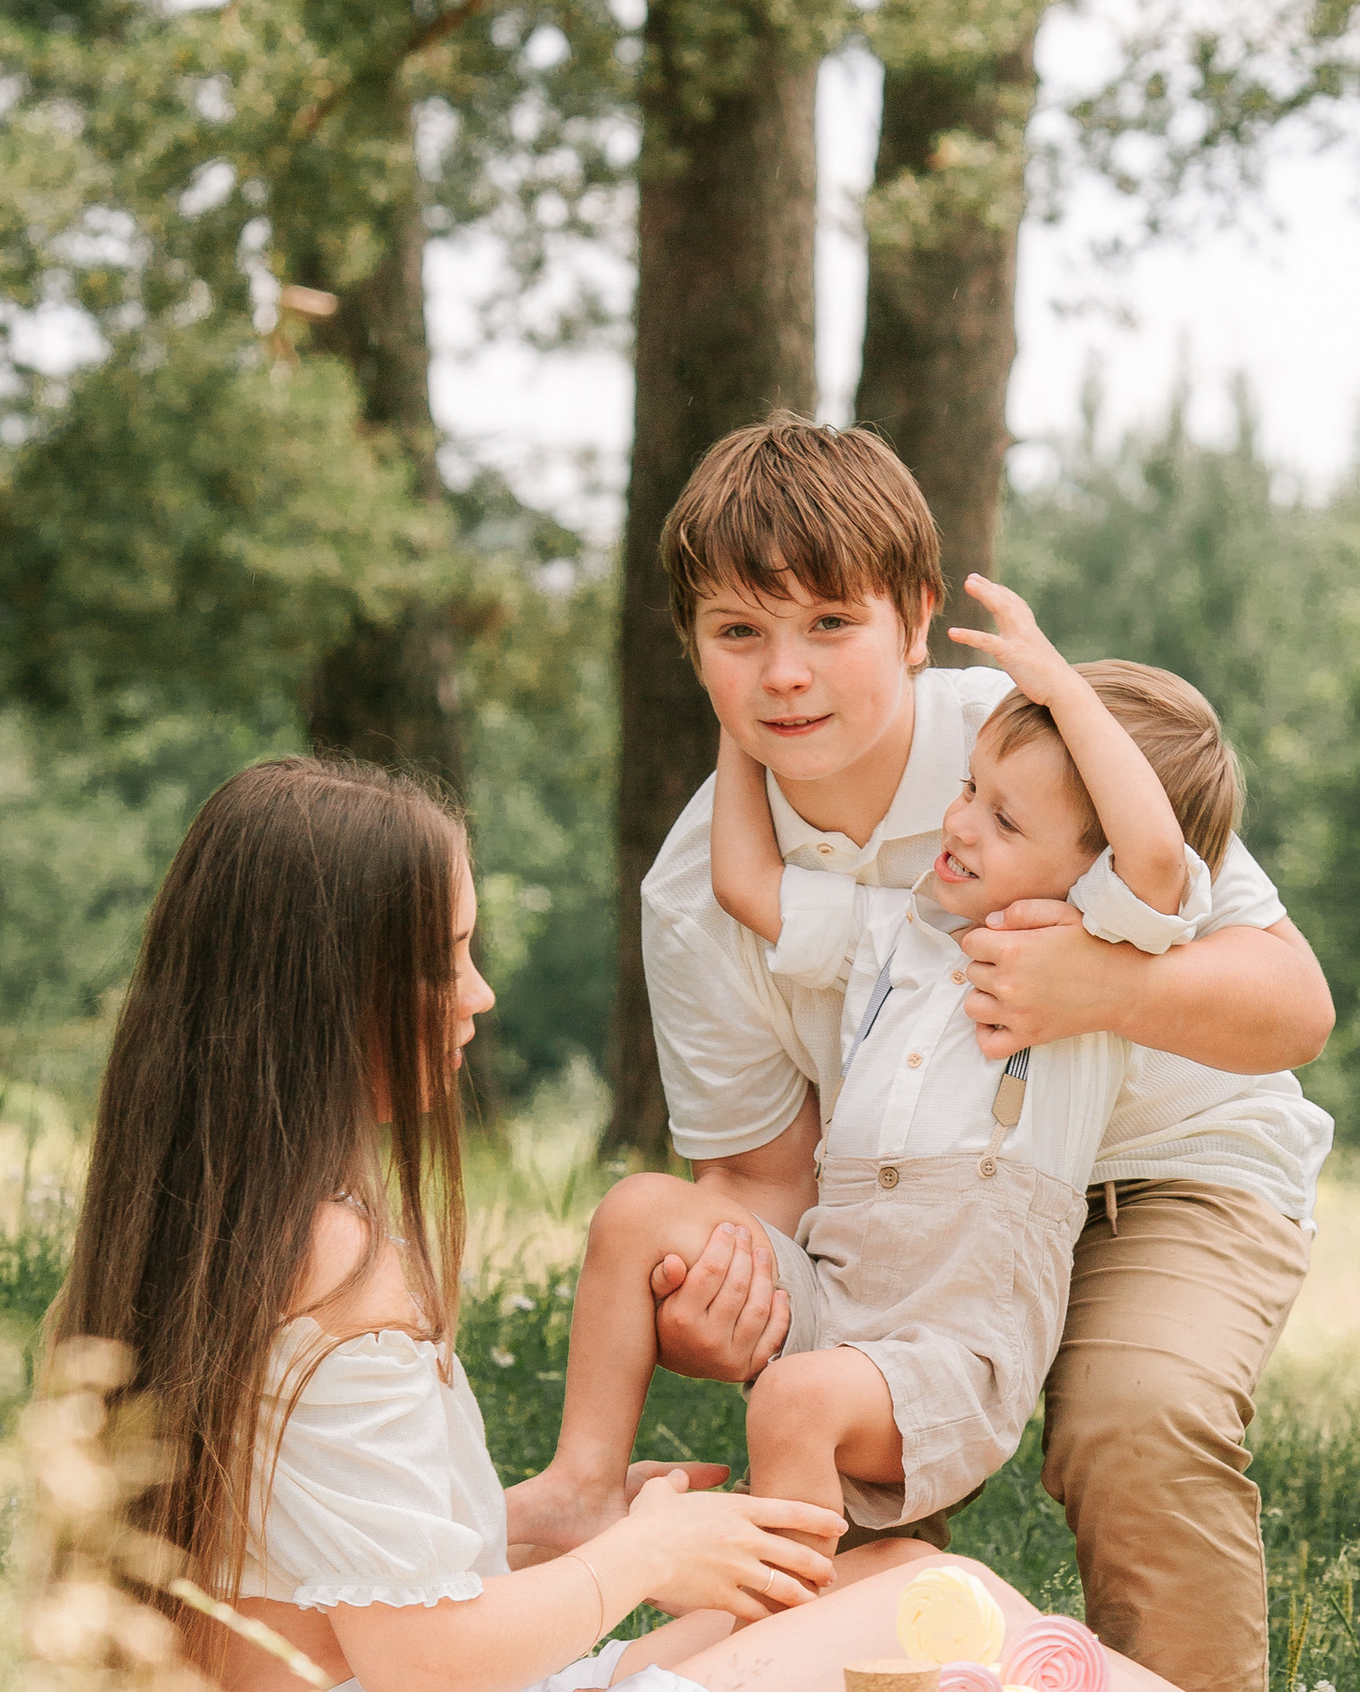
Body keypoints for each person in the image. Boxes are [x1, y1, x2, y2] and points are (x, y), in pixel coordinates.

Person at [47, 754, 1360, 1692]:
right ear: (332, 992)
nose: (477, 998)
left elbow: (338, 1610)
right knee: (933, 1637)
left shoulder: (226, 1238)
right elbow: (414, 1672)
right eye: (446, 961)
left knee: (901, 1580)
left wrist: (574, 1518)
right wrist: (639, 1560)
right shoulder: (331, 1263)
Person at [635, 417, 1334, 1692]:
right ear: (690, 646)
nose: (789, 675)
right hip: (922, 1208)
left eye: (831, 624)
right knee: (830, 1426)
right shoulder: (701, 893)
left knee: (1134, 1418)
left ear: (913, 608)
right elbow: (756, 1169)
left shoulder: (1040, 746)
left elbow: (1290, 1004)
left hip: (1167, 1159)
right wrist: (733, 1293)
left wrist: (1096, 984)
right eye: (738, 634)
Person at [510, 576, 1224, 1541]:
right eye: (972, 790)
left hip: (954, 1344)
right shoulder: (902, 934)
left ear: (1095, 869)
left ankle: (781, 1628)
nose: (962, 821)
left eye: (1008, 822)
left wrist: (1062, 688)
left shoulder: (1109, 948)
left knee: (795, 1404)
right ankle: (582, 1486)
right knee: (638, 1210)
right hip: (837, 1295)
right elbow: (747, 882)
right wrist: (744, 726)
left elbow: (1157, 853)